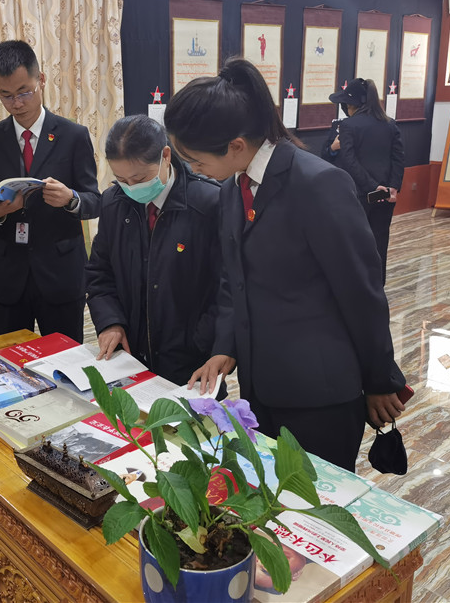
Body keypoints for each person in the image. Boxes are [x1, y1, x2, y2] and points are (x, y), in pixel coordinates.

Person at [164, 57, 406, 471]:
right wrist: (225, 348)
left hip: (320, 395)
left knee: (314, 502)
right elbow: (233, 280)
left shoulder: (318, 184)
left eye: (196, 161)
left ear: (235, 145)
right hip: (261, 385)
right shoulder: (233, 187)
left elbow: (361, 293)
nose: (193, 170)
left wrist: (380, 380)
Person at [0, 40, 101, 343]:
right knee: (11, 360)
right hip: (10, 275)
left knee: (65, 359)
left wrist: (71, 199)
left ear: (41, 80)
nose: (16, 103)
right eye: (6, 95)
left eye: (24, 92)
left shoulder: (73, 135)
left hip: (60, 274)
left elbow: (94, 201)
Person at [85, 115, 223, 389]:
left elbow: (227, 289)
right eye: (121, 179)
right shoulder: (114, 202)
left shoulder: (209, 204)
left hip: (192, 363)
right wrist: (110, 322)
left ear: (166, 156)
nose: (132, 187)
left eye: (140, 178)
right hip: (130, 357)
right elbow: (100, 273)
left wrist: (204, 342)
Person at [323, 78, 404, 284]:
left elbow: (350, 161)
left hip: (360, 193)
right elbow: (398, 159)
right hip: (385, 194)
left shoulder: (348, 125)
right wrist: (393, 187)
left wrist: (372, 186)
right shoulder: (390, 124)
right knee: (380, 241)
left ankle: (358, 285)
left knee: (355, 242)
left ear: (351, 105)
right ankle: (378, 285)